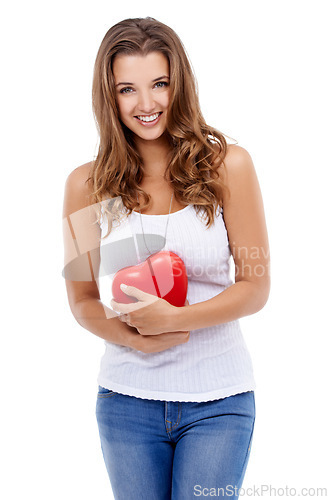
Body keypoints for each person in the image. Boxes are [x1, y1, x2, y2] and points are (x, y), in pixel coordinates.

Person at [62, 16, 270, 500]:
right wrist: (134, 340)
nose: (147, 104)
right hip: (126, 402)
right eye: (127, 89)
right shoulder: (87, 185)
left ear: (180, 84)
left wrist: (176, 319)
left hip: (219, 401)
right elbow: (82, 299)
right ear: (108, 97)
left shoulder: (226, 167)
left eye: (160, 84)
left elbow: (255, 286)